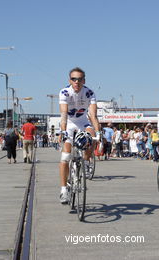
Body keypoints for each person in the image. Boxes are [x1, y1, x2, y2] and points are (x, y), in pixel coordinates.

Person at [58, 67, 102, 204]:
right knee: (65, 156)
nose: (76, 82)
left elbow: (93, 115)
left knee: (92, 135)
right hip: (69, 124)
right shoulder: (65, 92)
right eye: (73, 79)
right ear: (69, 80)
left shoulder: (89, 93)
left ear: (84, 80)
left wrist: (98, 133)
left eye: (79, 79)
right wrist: (63, 131)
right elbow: (64, 114)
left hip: (83, 122)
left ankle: (86, 161)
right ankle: (64, 189)